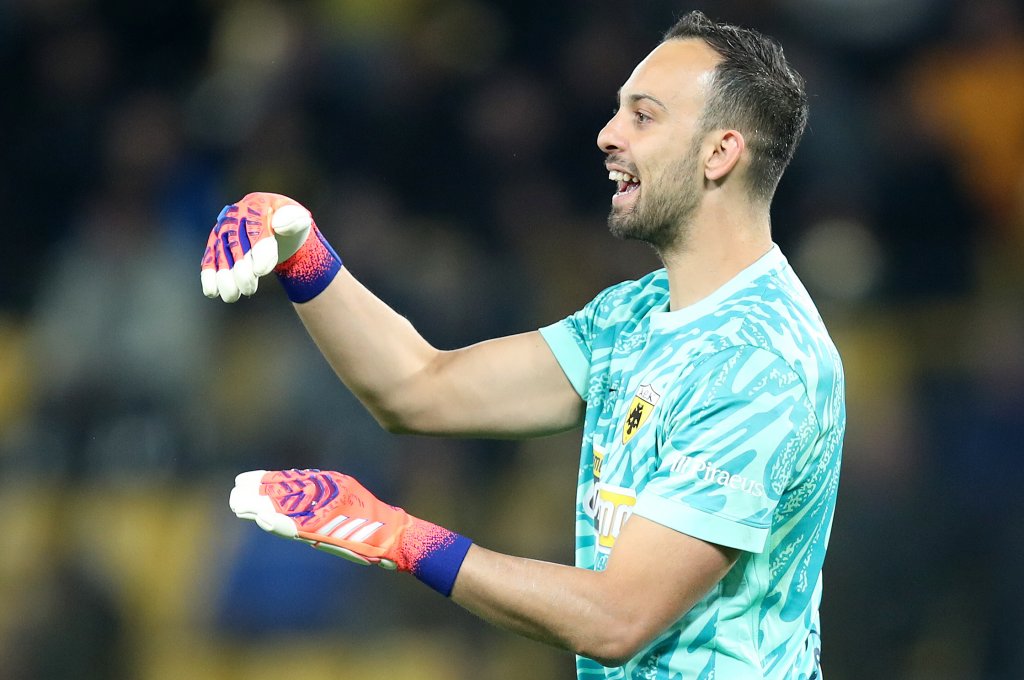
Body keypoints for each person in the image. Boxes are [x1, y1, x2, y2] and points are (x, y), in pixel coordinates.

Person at [202, 10, 845, 679]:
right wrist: (302, 250)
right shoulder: (632, 315)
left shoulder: (759, 361)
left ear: (719, 154)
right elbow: (417, 388)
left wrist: (400, 537)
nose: (608, 134)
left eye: (643, 116)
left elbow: (618, 618)